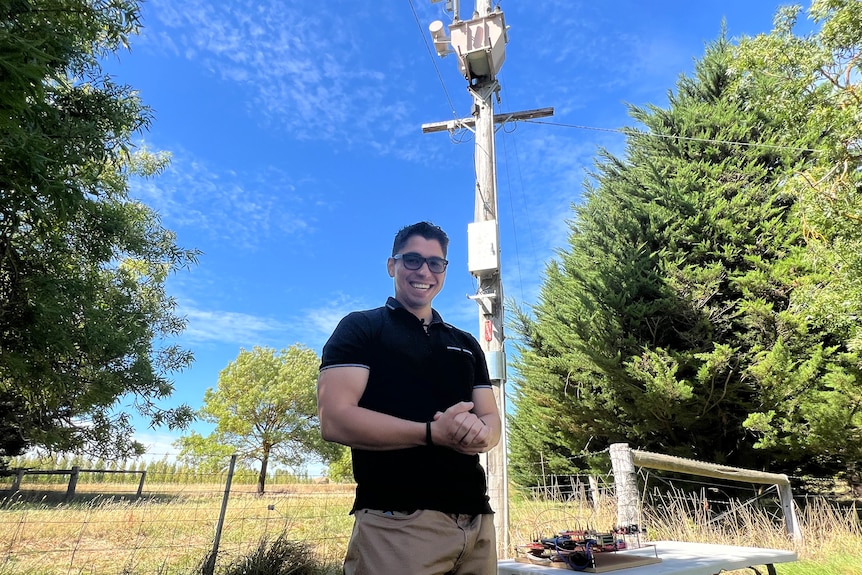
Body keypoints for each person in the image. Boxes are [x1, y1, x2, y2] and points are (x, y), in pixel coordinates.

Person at [317, 221, 502, 575]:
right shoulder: (362, 328)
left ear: (445, 270)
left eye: (436, 263)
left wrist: (480, 435)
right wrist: (432, 433)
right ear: (392, 265)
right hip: (397, 524)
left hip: (477, 523)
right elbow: (334, 419)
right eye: (413, 259)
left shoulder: (466, 343)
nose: (424, 271)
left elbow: (491, 423)